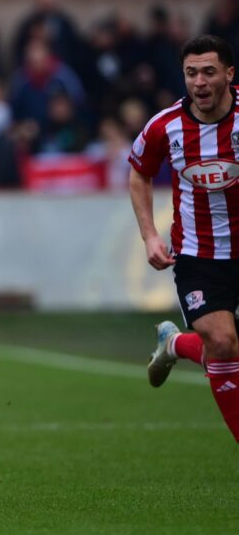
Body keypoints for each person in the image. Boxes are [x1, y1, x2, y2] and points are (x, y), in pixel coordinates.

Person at [129, 34, 239, 443]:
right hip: (199, 256)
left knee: (227, 347)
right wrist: (149, 236)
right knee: (224, 342)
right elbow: (138, 172)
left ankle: (174, 343)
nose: (199, 82)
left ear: (229, 73)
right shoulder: (165, 125)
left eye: (209, 72)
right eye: (191, 73)